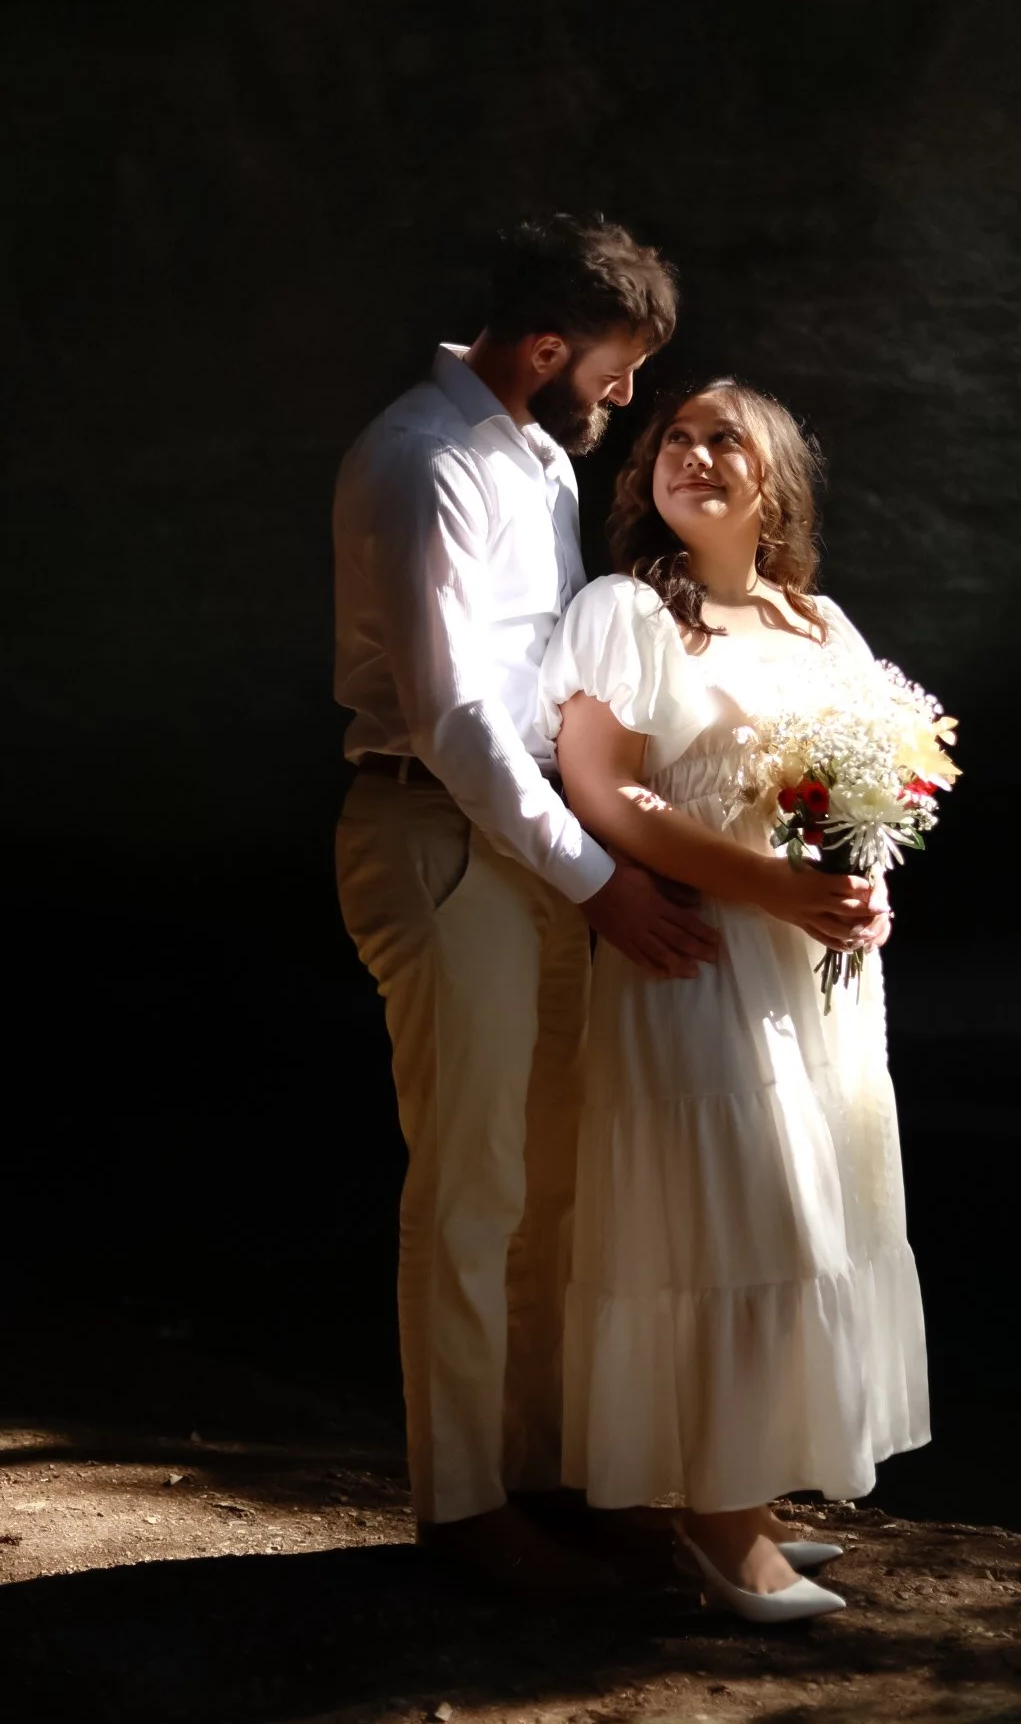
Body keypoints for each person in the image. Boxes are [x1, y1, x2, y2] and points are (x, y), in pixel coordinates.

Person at [332, 215, 723, 1585]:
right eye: (619, 368)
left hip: (534, 843)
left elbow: (547, 688)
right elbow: (456, 722)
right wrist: (601, 878)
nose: (627, 394)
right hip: (439, 836)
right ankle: (461, 1508)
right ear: (549, 349)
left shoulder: (539, 457)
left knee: (557, 1179)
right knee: (474, 1179)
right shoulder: (420, 463)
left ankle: (552, 1475)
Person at [538, 377, 930, 1622]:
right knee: (730, 1221)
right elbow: (602, 790)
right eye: (674, 438)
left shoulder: (818, 623)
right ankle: (716, 1523)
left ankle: (749, 1499)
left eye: (725, 440)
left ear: (776, 480)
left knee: (810, 1216)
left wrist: (862, 891)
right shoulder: (625, 612)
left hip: (812, 975)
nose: (694, 455)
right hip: (701, 956)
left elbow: (875, 787)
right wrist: (770, 886)